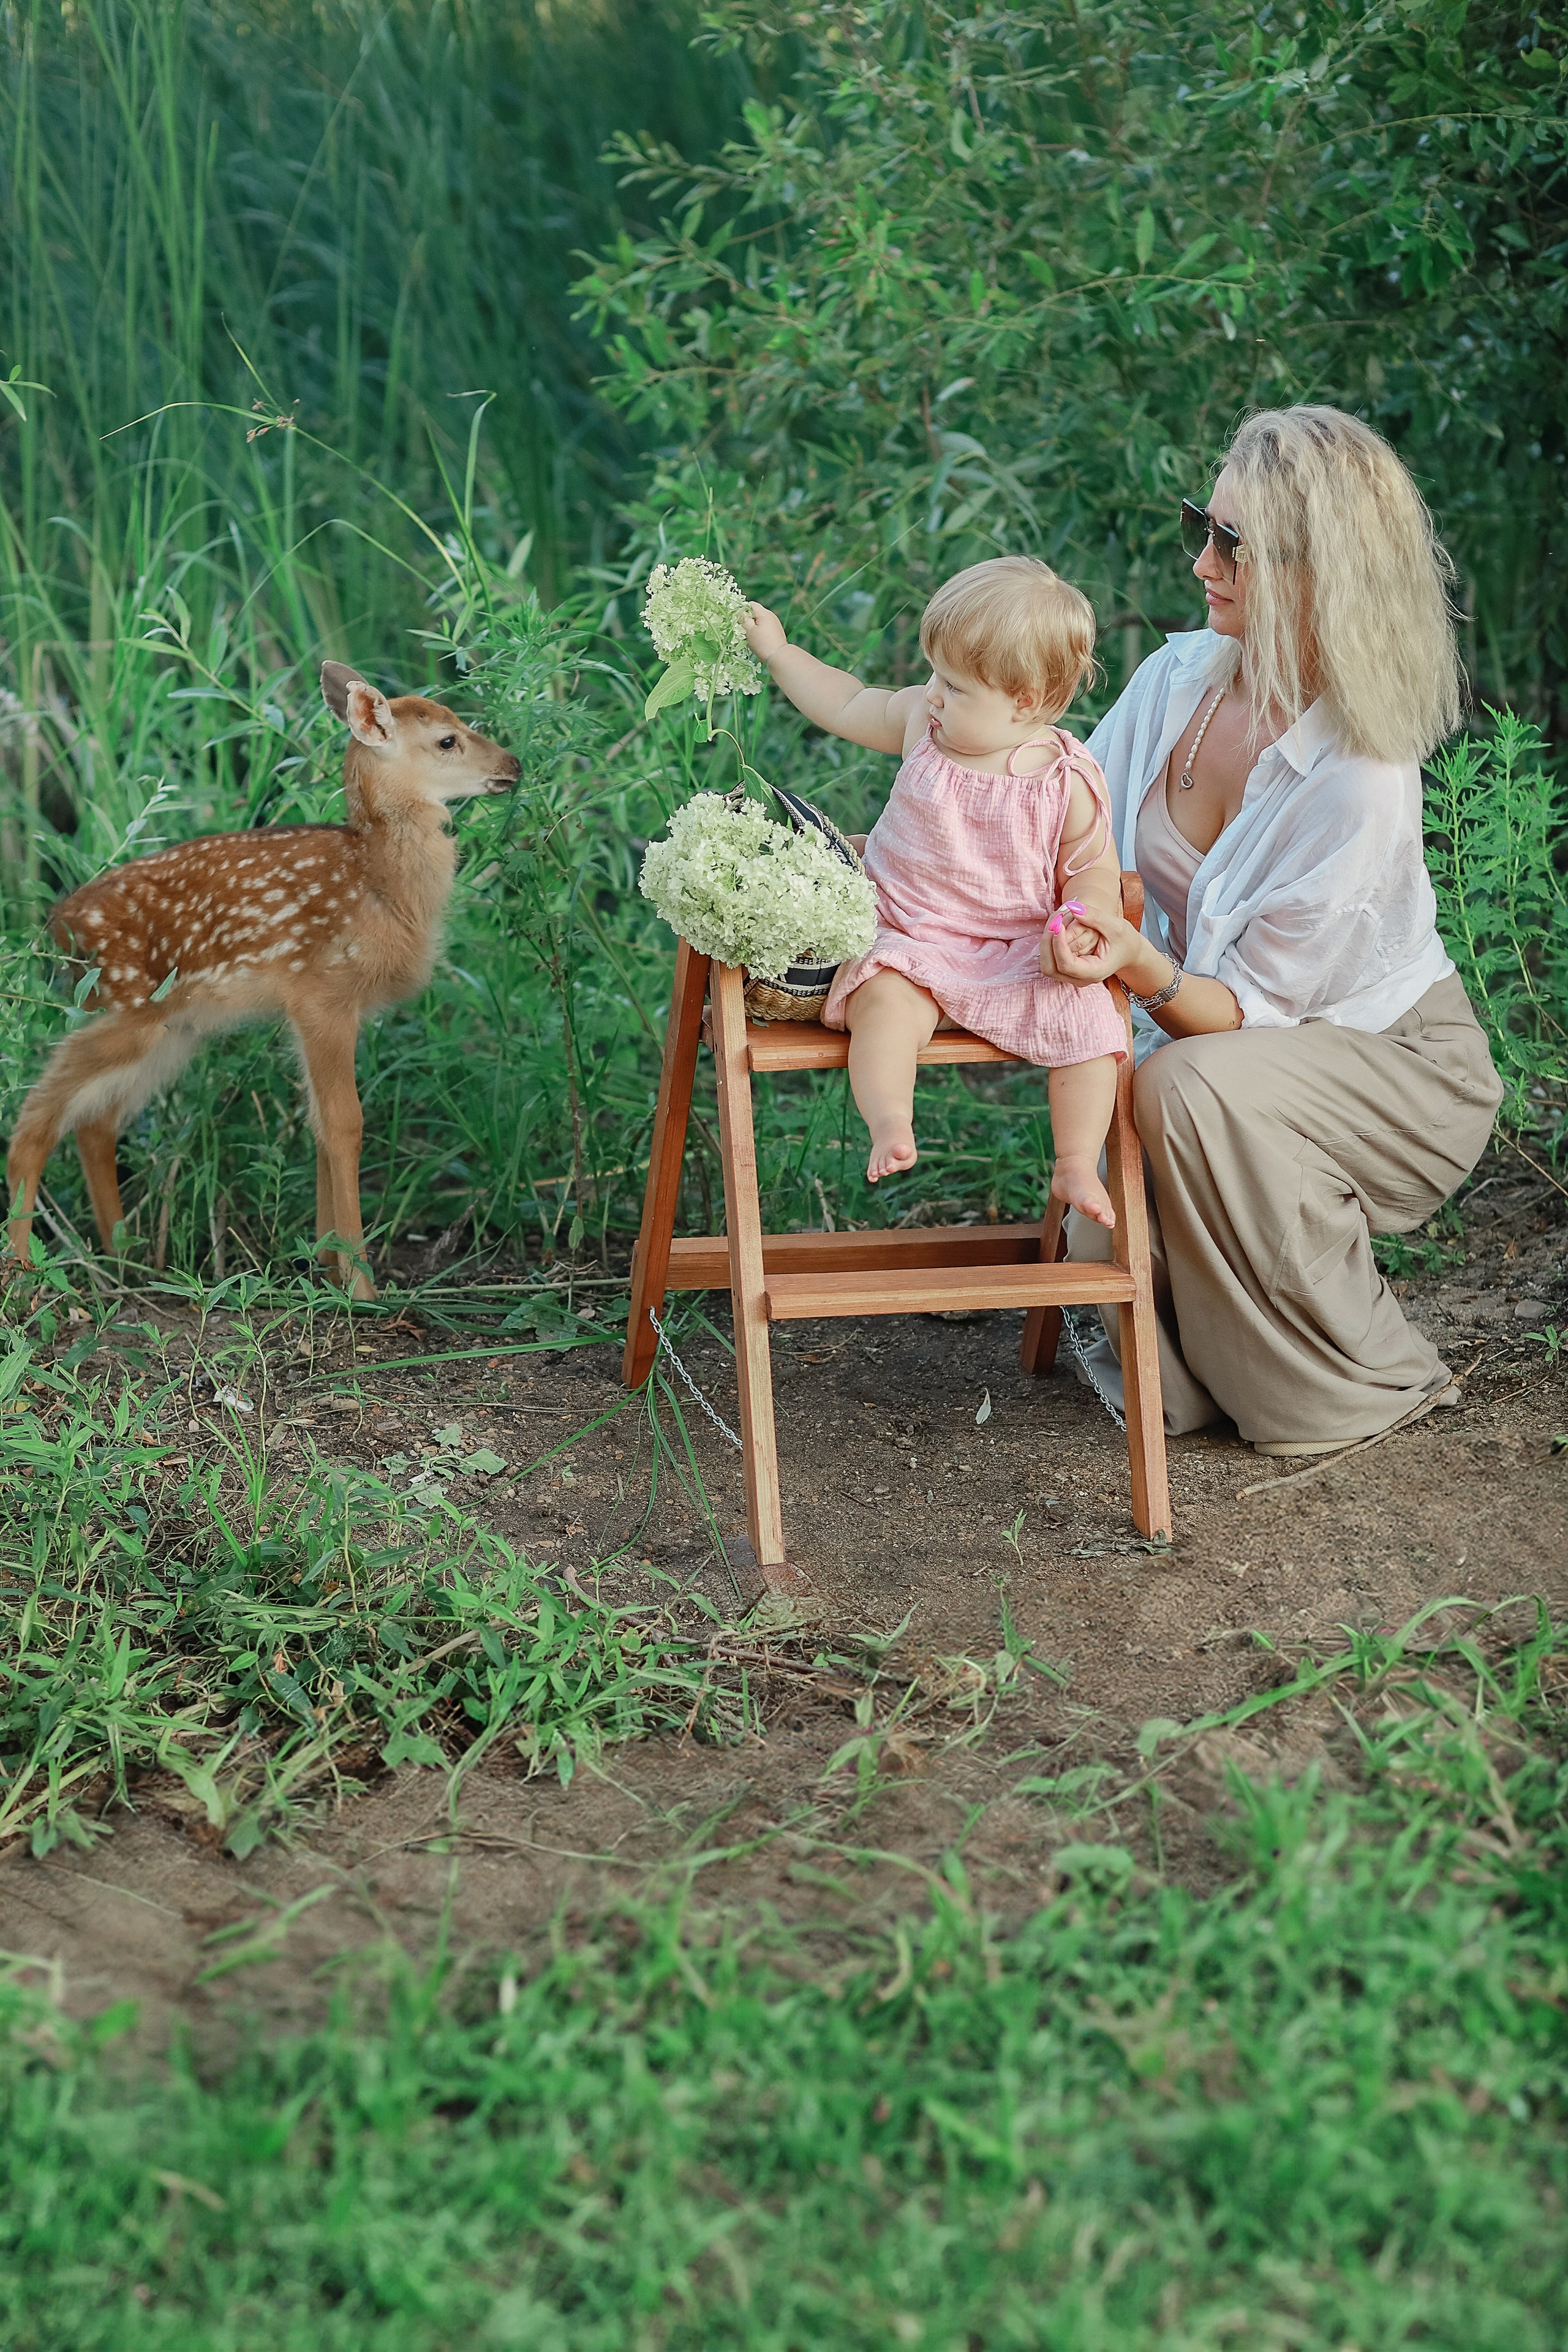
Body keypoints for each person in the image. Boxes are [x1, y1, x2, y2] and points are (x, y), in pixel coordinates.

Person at [1045, 404, 1502, 1458]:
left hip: (1392, 1064)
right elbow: (1058, 816)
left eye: (1231, 544)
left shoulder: (1359, 773)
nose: (1202, 562)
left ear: (1317, 570)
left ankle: (1354, 1382)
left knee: (1176, 1084)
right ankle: (1190, 1379)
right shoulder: (1181, 680)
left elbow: (1246, 1018)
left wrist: (1141, 966)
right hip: (1225, 1039)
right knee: (1140, 1072)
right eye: (1200, 528)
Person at [742, 559, 1126, 1223]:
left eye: (954, 684)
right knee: (884, 1004)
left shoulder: (1066, 778)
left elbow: (1092, 871)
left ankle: (1074, 1163)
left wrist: (1080, 922)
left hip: (1012, 953)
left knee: (1090, 1022)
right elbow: (846, 700)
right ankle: (892, 1120)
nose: (934, 693)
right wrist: (780, 653)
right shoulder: (924, 723)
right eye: (933, 673)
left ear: (1025, 701)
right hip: (905, 934)